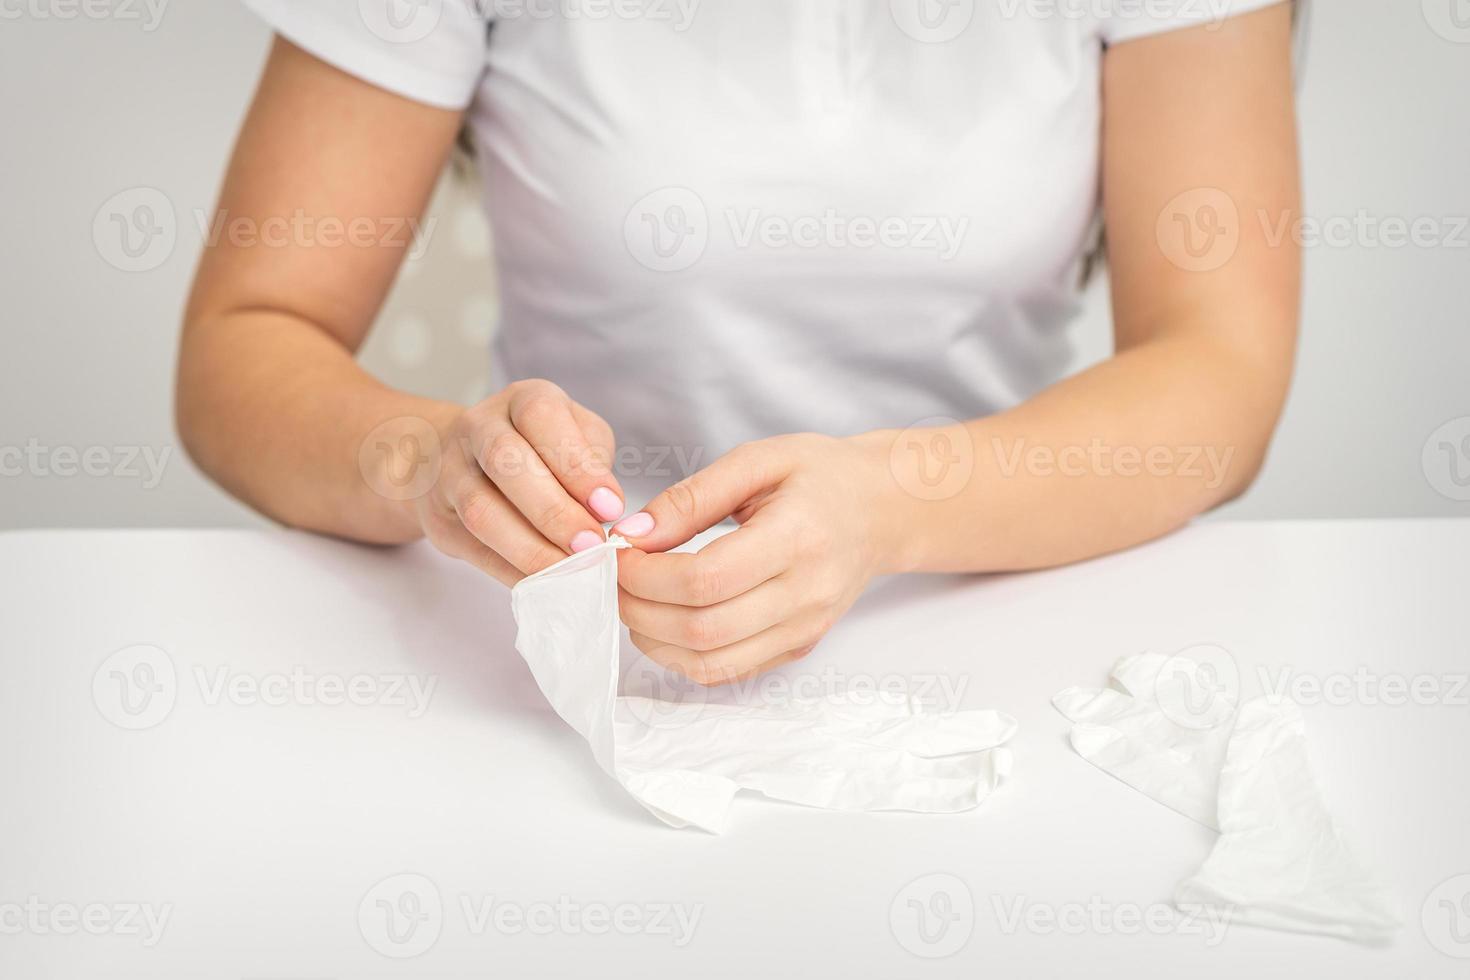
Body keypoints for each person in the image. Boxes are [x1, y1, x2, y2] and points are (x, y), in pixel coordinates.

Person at [177, 0, 1301, 686]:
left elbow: (1220, 367)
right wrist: (435, 465)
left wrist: (894, 503)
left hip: (999, 620)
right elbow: (246, 343)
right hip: (549, 658)